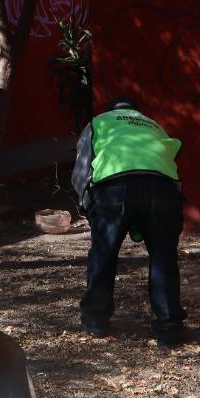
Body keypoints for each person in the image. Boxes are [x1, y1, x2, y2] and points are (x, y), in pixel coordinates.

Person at [71, 97, 187, 346]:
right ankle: (169, 327)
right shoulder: (153, 124)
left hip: (114, 187)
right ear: (136, 112)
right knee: (163, 257)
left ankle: (96, 321)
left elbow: (82, 167)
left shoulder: (99, 122)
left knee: (104, 253)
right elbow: (170, 162)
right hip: (162, 188)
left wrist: (87, 205)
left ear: (112, 111)